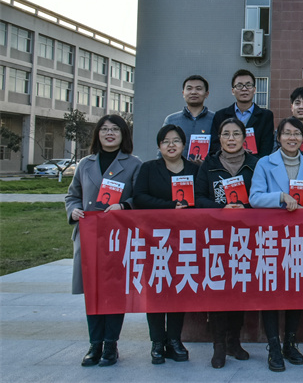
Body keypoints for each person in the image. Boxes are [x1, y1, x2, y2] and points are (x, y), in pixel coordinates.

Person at [65, 115, 141, 367]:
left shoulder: (134, 164)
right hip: (89, 236)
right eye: (104, 129)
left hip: (118, 237)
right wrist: (73, 211)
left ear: (123, 134)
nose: (109, 133)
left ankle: (110, 345)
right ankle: (94, 344)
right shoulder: (85, 164)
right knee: (93, 291)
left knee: (114, 291)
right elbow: (72, 196)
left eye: (115, 129)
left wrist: (124, 205)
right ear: (97, 134)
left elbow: (140, 197)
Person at [250, 117, 303, 372]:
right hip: (270, 236)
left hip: (299, 237)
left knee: (295, 290)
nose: (292, 138)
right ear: (278, 137)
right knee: (271, 291)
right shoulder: (264, 163)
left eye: (297, 134)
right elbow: (255, 198)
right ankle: (273, 346)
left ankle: (290, 343)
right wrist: (280, 197)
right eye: (287, 133)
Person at [196, 118, 259, 369]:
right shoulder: (209, 164)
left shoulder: (255, 164)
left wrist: (246, 208)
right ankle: (218, 345)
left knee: (239, 289)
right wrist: (221, 208)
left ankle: (234, 341)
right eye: (226, 134)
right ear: (219, 138)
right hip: (216, 236)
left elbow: (261, 196)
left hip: (246, 237)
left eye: (236, 134)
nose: (231, 138)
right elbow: (198, 197)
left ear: (245, 138)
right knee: (219, 291)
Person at [132, 124, 198, 364]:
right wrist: (170, 206)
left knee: (179, 287)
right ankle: (157, 342)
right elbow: (139, 197)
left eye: (176, 140)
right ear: (159, 146)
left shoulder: (194, 169)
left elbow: (201, 198)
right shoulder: (149, 168)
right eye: (166, 141)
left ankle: (174, 340)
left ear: (184, 144)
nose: (171, 145)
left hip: (185, 239)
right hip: (155, 239)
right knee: (156, 289)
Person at [210, 69, 274, 158]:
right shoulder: (220, 115)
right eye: (239, 86)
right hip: (227, 163)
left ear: (254, 89)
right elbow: (215, 144)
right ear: (233, 91)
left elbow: (267, 146)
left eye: (248, 85)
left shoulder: (266, 116)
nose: (244, 89)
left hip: (255, 163)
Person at [163, 75, 215, 162]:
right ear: (183, 93)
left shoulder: (215, 119)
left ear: (206, 94)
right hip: (177, 169)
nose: (193, 92)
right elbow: (163, 148)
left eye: (198, 89)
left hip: (207, 169)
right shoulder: (171, 120)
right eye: (189, 88)